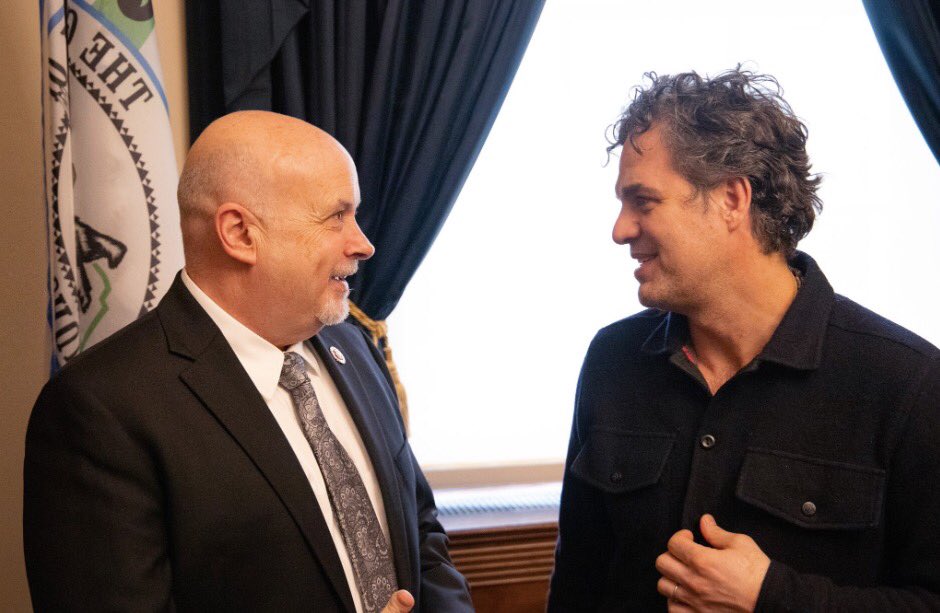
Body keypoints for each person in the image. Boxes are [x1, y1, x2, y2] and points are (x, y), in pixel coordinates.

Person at [24, 111, 473, 613]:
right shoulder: (100, 409)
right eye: (336, 217)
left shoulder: (355, 350)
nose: (363, 244)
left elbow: (421, 534)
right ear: (239, 233)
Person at [547, 68, 940, 611]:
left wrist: (772, 598)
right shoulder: (612, 360)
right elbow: (578, 582)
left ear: (732, 199)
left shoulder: (909, 384)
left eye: (644, 201)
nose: (620, 230)